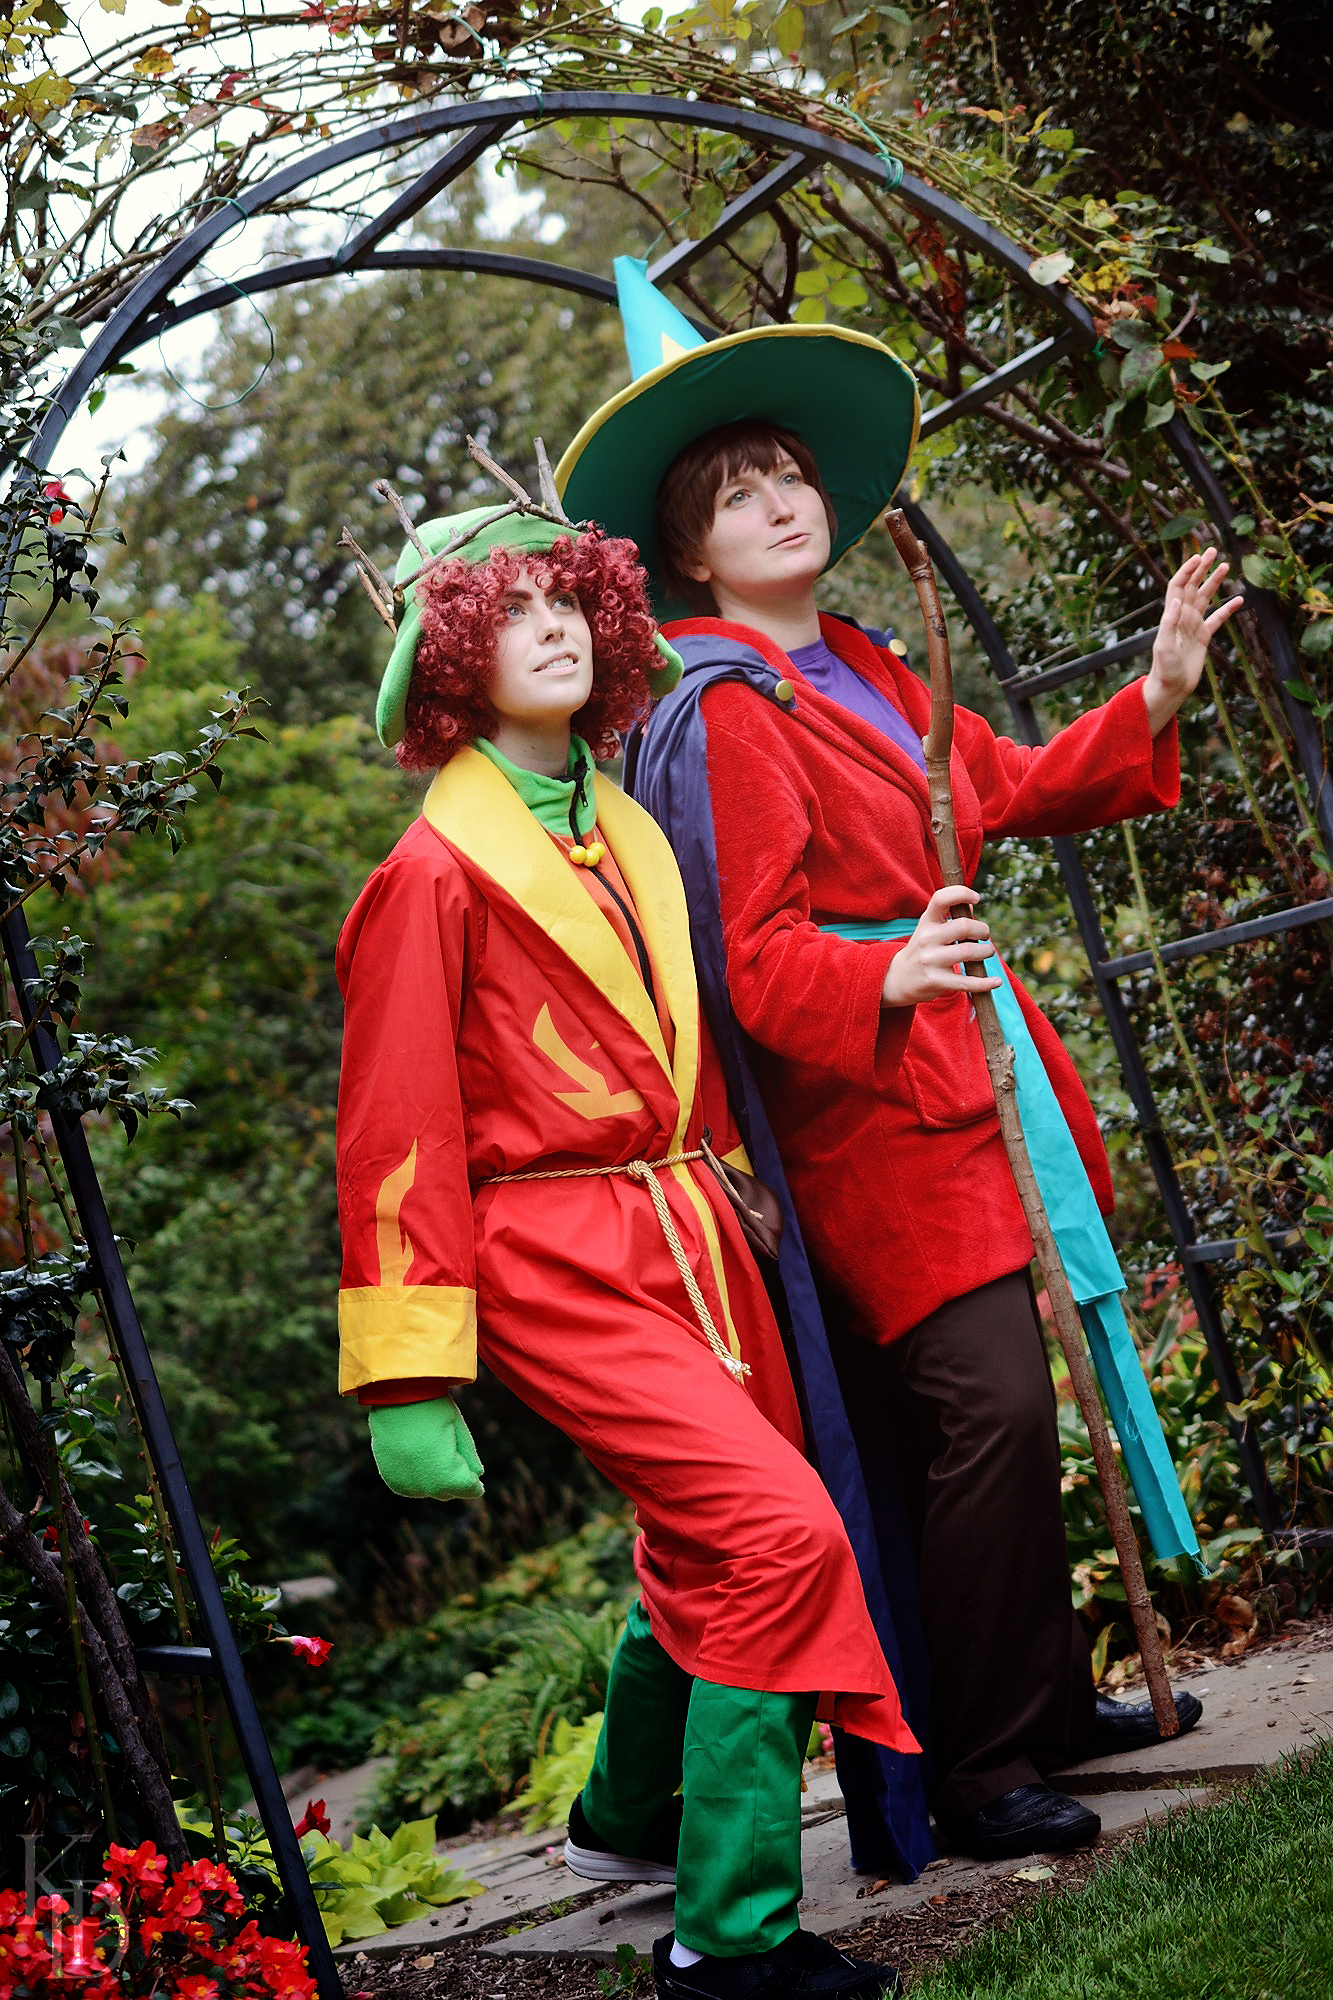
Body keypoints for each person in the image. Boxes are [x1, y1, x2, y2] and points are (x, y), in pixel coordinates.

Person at [557, 262, 1237, 1862]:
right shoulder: (724, 706)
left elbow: (1003, 786)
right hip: (869, 1113)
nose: (779, 501)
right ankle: (978, 1767)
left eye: (789, 474)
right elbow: (751, 959)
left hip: (968, 1081)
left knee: (1012, 1409)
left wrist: (1152, 694)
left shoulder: (868, 666)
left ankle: (1044, 1707)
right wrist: (886, 970)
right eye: (738, 493)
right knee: (985, 1408)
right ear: (689, 552)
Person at [334, 490, 916, 2000]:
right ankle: (729, 1938)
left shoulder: (629, 825)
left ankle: (619, 1825)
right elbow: (396, 1132)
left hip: (693, 1230)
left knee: (707, 1539)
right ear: (449, 658)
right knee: (778, 1538)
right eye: (509, 611)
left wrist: (741, 1188)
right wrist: (409, 1377)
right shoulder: (428, 876)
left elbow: (677, 1055)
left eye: (567, 600)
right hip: (552, 1261)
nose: (552, 630)